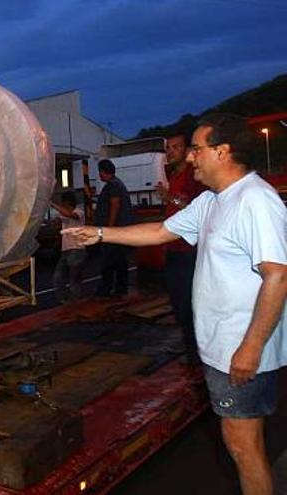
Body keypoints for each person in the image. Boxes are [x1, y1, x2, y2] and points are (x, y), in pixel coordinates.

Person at [63, 113, 287, 495]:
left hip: (240, 348)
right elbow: (160, 231)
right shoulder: (214, 201)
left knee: (244, 447)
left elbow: (278, 275)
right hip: (221, 347)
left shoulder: (255, 201)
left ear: (222, 151)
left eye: (197, 149)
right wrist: (99, 233)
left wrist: (251, 347)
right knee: (240, 445)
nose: (189, 158)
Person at [156, 133, 206, 356]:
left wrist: (169, 198)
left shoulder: (191, 177)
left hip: (189, 251)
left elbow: (195, 209)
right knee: (178, 302)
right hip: (174, 250)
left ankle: (198, 352)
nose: (170, 151)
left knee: (188, 304)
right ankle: (191, 349)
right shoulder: (175, 177)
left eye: (176, 147)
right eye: (168, 148)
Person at [93, 159, 135, 297]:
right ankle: (119, 289)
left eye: (100, 171)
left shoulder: (113, 185)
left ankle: (106, 289)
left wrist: (109, 229)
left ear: (103, 172)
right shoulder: (117, 184)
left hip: (114, 229)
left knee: (109, 260)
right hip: (119, 229)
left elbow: (115, 205)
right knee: (119, 260)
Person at [51, 191, 86, 302]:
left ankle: (74, 302)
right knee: (58, 277)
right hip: (66, 249)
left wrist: (53, 204)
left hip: (77, 249)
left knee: (73, 279)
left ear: (67, 202)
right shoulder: (65, 214)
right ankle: (65, 299)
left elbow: (70, 215)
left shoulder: (79, 212)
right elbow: (59, 221)